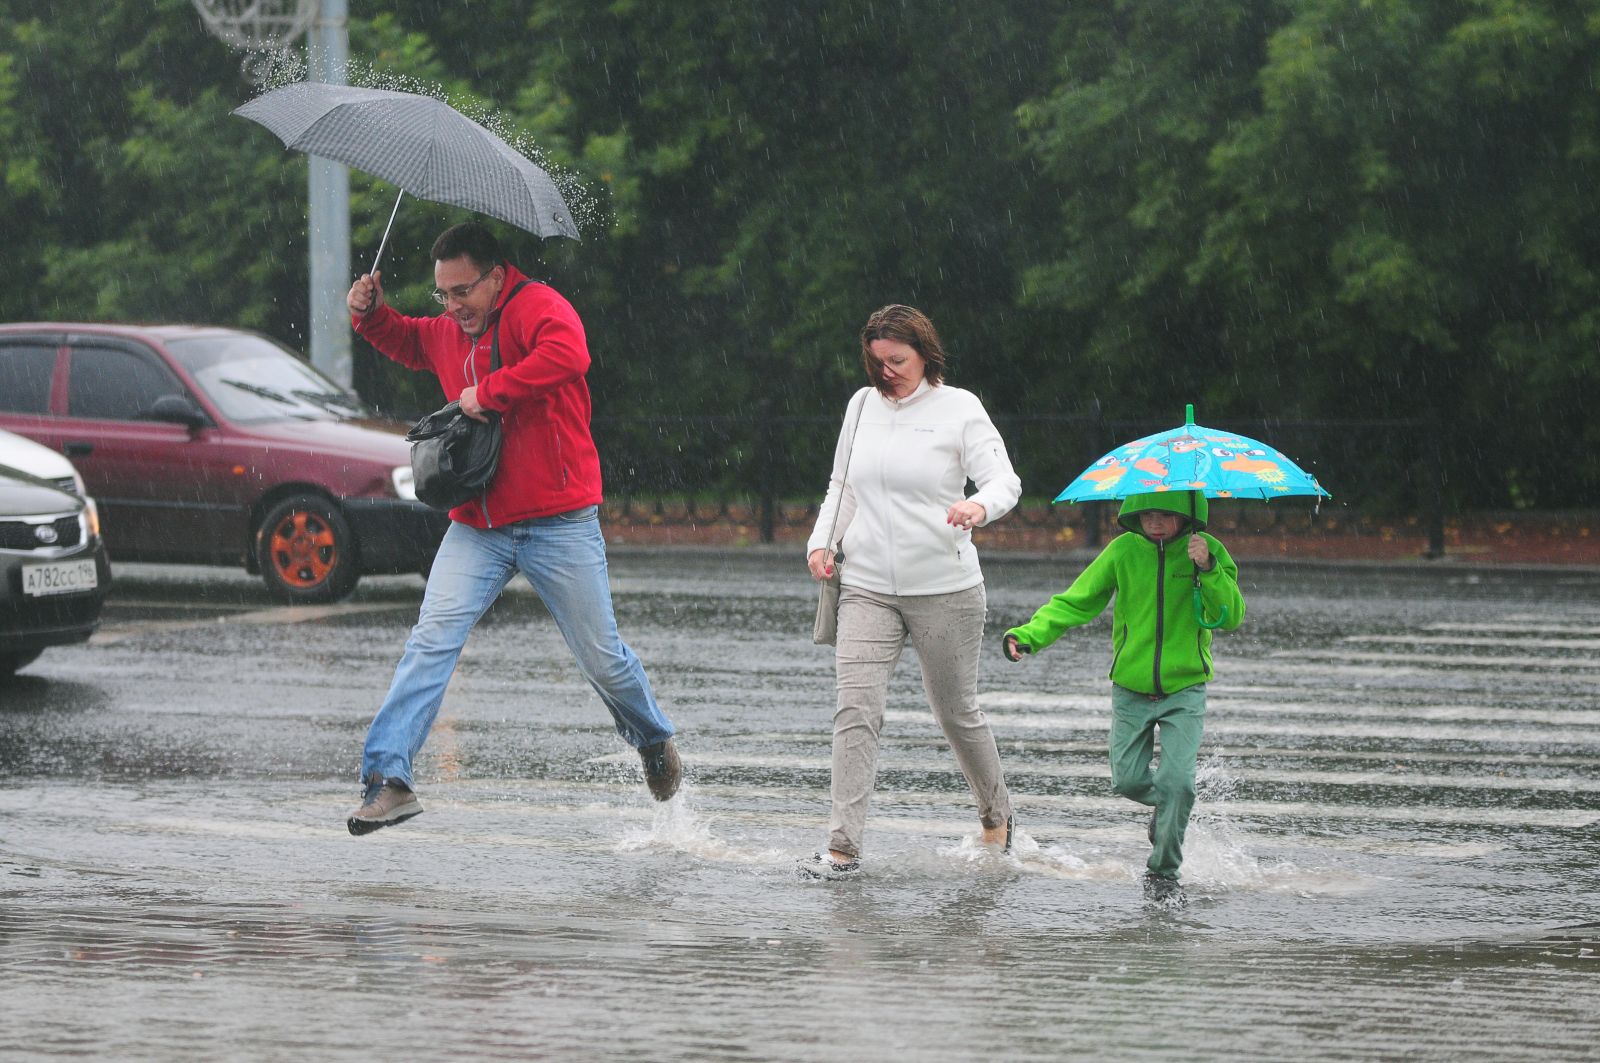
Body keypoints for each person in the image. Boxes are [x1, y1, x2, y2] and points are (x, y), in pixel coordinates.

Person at [343, 221, 680, 835]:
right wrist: (370, 317)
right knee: (431, 640)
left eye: (463, 292)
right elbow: (413, 341)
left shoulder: (538, 307)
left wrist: (490, 393)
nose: (452, 307)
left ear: (497, 277)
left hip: (558, 522)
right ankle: (389, 779)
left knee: (601, 658)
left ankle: (653, 738)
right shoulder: (451, 326)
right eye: (442, 294)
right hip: (478, 525)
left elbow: (568, 355)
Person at [802, 304, 1021, 878]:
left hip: (944, 587)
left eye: (898, 361)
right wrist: (820, 542)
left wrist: (978, 506)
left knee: (955, 712)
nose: (887, 372)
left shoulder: (959, 408)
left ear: (926, 354)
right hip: (867, 585)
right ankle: (841, 848)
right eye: (877, 362)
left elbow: (1006, 481)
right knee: (856, 711)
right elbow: (842, 485)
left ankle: (997, 817)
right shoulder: (860, 406)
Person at [1002, 491, 1245, 900]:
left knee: (1179, 783)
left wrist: (1208, 567)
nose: (1154, 522)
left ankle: (1163, 873)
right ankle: (1169, 810)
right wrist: (1028, 636)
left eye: (1165, 514)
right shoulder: (1122, 552)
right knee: (1128, 780)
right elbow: (1076, 602)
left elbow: (1232, 616)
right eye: (1146, 513)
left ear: (1188, 515)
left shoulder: (1208, 551)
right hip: (1130, 688)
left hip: (1185, 688)